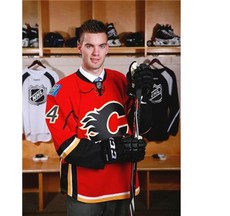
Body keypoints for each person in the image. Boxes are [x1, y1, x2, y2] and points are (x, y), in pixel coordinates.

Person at [45, 19, 152, 216]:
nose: (96, 53)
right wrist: (113, 150)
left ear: (107, 48)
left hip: (122, 183)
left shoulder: (120, 80)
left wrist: (144, 97)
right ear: (79, 47)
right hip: (86, 192)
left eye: (101, 46)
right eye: (89, 46)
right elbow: (66, 147)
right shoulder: (60, 91)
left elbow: (140, 127)